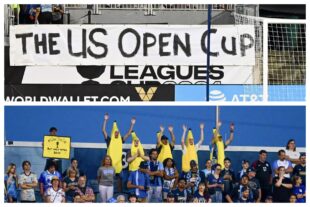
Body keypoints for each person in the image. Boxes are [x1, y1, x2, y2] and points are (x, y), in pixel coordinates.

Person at [102, 113, 135, 190]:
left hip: (119, 166)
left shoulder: (121, 140)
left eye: (118, 132)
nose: (117, 133)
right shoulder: (109, 140)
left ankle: (119, 194)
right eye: (115, 132)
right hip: (109, 166)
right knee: (109, 183)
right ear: (113, 133)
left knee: (120, 181)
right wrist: (105, 120)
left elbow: (129, 133)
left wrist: (132, 124)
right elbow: (103, 130)